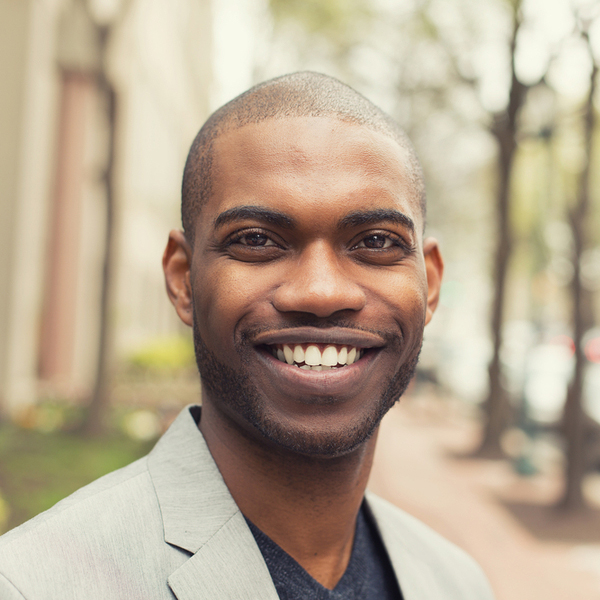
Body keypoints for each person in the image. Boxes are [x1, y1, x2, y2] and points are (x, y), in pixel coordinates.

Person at [0, 72, 495, 599]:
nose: (321, 292)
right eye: (257, 240)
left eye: (375, 241)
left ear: (431, 283)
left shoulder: (456, 582)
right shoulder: (34, 584)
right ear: (182, 279)